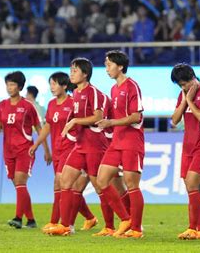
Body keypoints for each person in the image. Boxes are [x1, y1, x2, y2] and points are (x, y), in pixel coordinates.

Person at [47, 58, 113, 236]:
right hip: (80, 144)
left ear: (85, 74)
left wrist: (75, 121)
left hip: (95, 145)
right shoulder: (75, 93)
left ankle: (111, 226)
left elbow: (97, 117)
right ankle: (66, 225)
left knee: (101, 186)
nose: (71, 73)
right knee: (65, 181)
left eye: (75, 70)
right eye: (71, 70)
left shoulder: (94, 92)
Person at [29, 72, 97, 234]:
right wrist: (37, 144)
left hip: (72, 147)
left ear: (65, 86)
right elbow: (48, 126)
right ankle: (89, 217)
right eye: (50, 84)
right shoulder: (52, 104)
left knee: (60, 183)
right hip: (57, 149)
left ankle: (56, 222)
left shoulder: (74, 102)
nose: (52, 87)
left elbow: (86, 122)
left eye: (54, 84)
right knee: (69, 187)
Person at [0, 71, 52, 229]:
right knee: (19, 186)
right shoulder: (2, 105)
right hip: (8, 151)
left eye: (12, 85)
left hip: (25, 150)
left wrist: (46, 150)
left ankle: (18, 218)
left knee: (20, 183)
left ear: (20, 86)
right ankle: (31, 220)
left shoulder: (28, 106)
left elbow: (39, 128)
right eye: (7, 84)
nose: (9, 88)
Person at [96, 50, 145, 239]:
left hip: (132, 142)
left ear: (120, 66)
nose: (106, 69)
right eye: (105, 65)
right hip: (116, 141)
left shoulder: (132, 86)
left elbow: (136, 116)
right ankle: (126, 218)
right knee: (102, 180)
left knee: (132, 184)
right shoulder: (114, 89)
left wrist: (110, 123)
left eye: (109, 65)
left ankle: (137, 230)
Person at [171, 63, 200, 240]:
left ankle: (193, 228)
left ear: (193, 78)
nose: (183, 88)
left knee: (192, 184)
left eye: (184, 84)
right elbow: (174, 120)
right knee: (192, 188)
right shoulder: (183, 94)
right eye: (180, 86)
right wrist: (184, 99)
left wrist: (189, 100)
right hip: (188, 146)